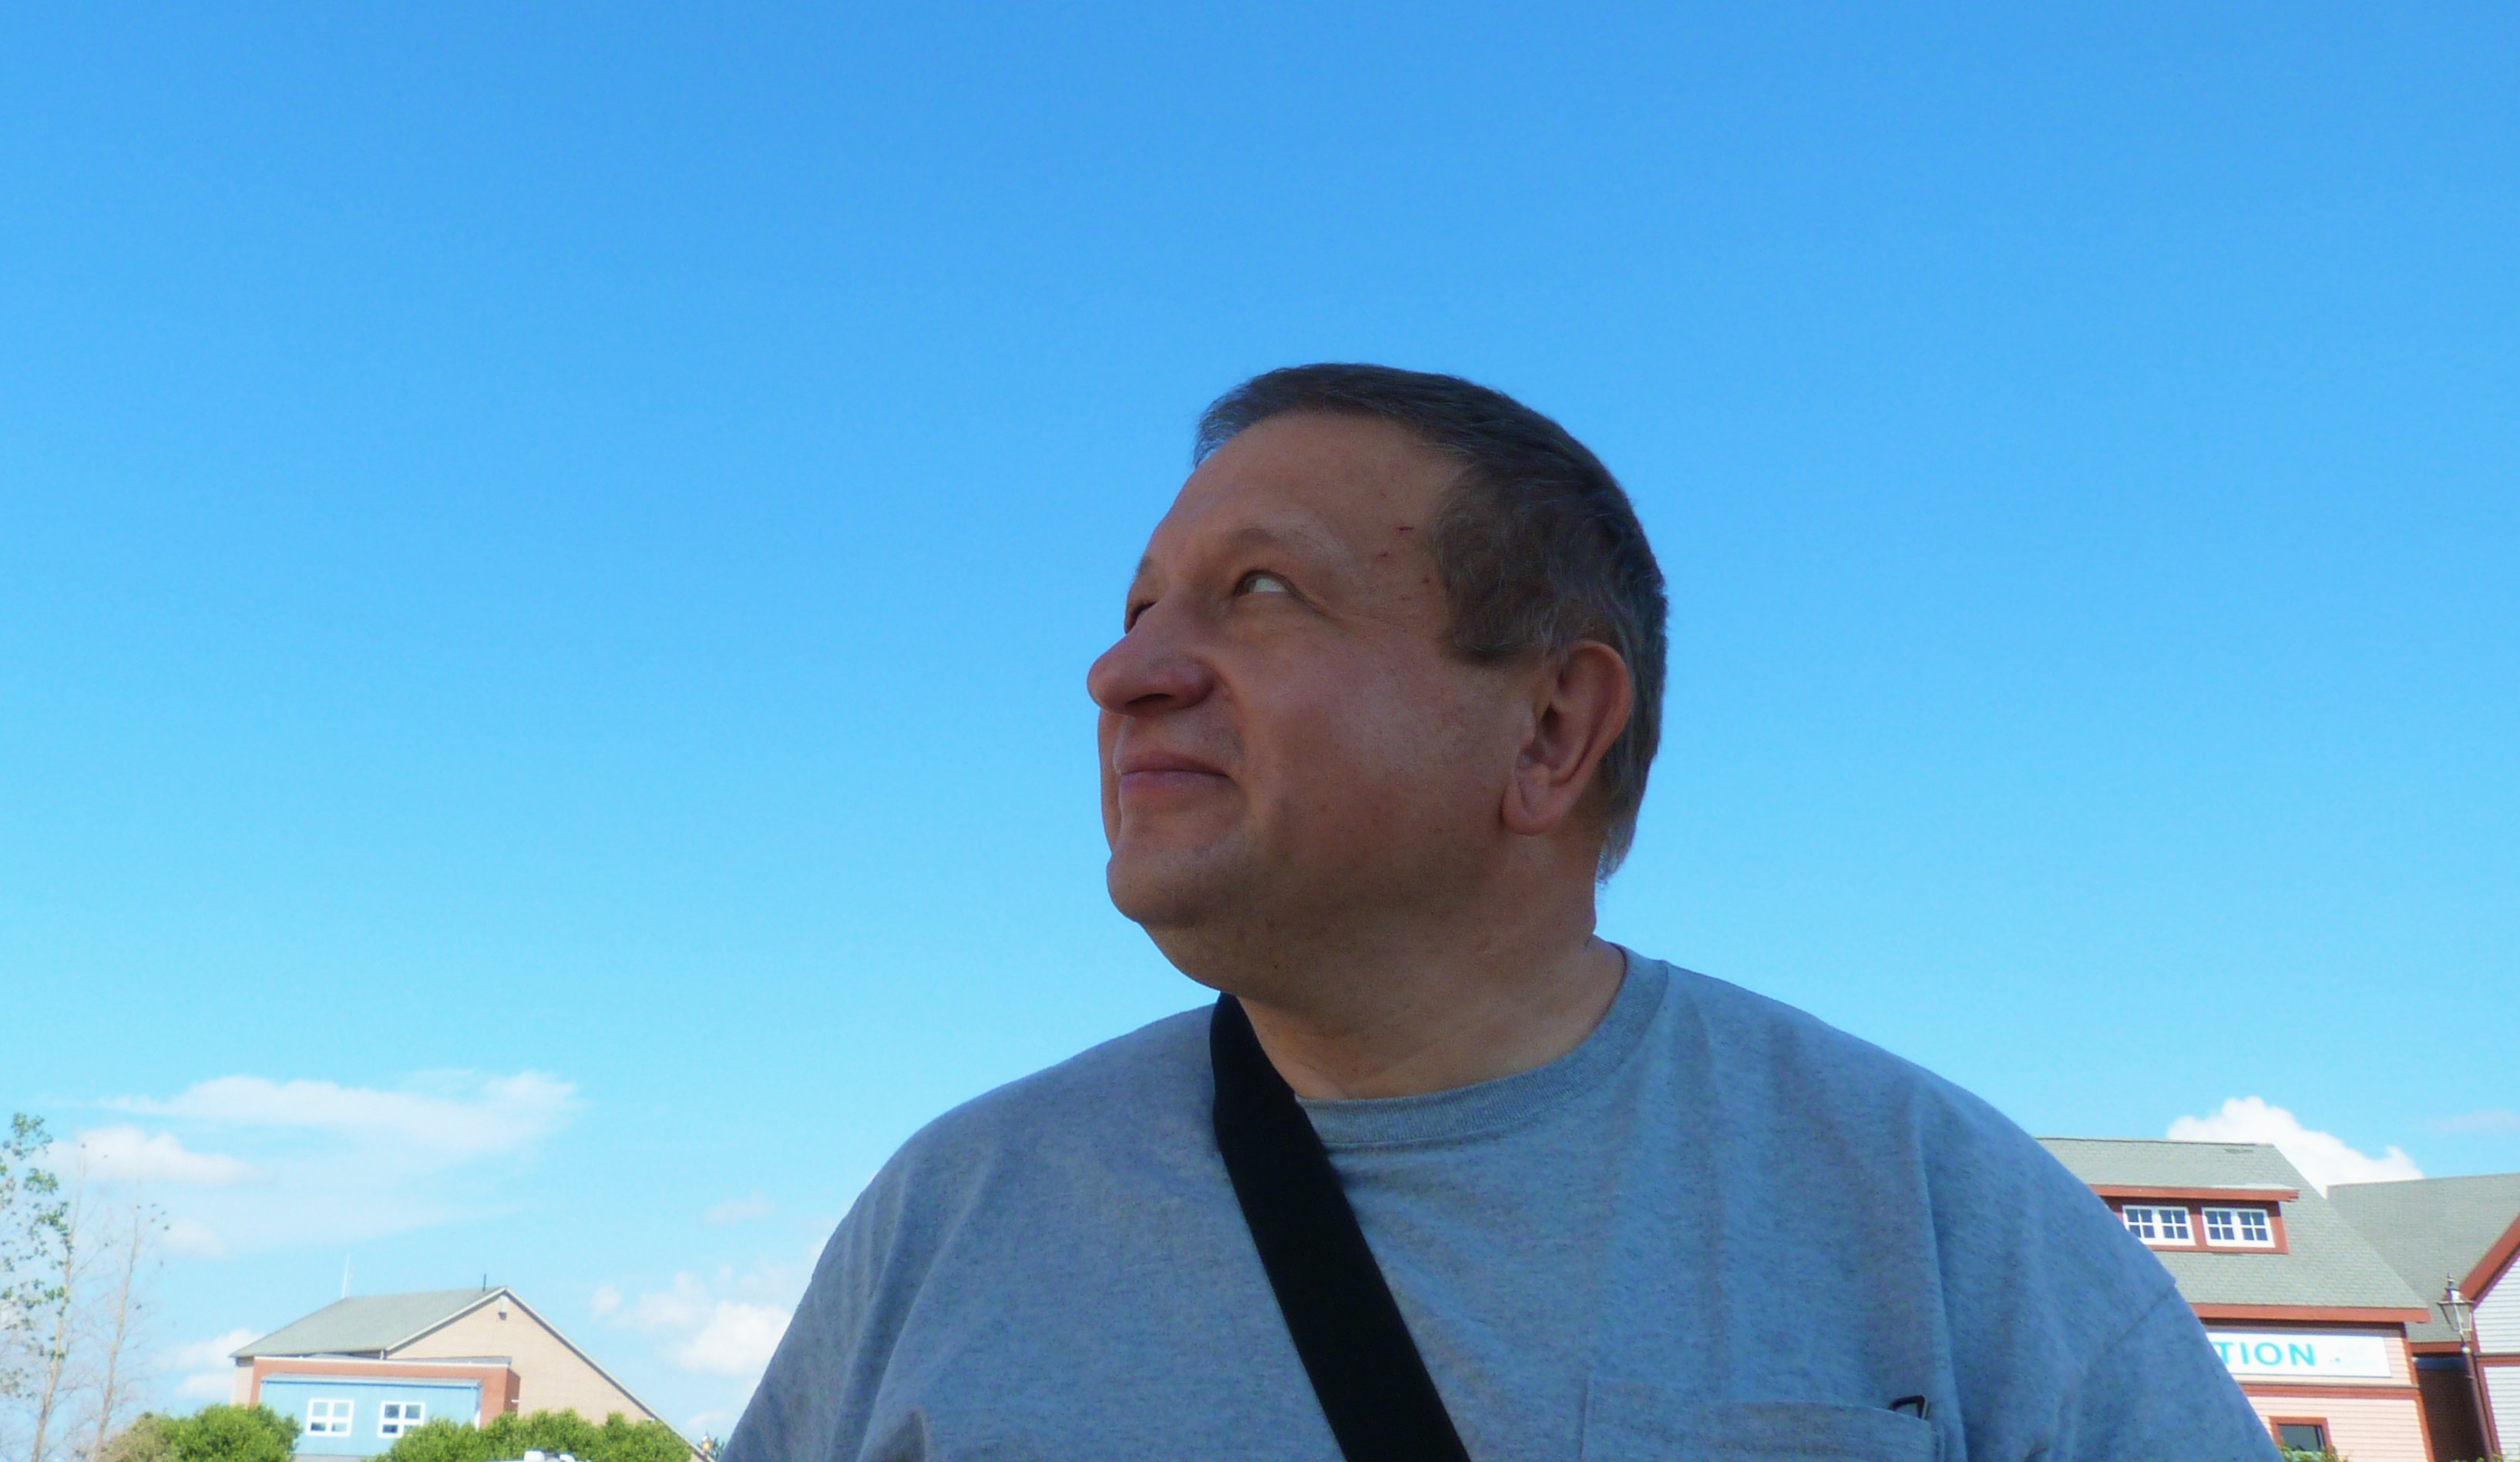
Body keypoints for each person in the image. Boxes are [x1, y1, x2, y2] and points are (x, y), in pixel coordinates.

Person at [727, 365, 2276, 1460]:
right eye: (1139, 607)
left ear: (1549, 729)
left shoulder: (1939, 1222)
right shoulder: (945, 1216)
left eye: (1260, 590)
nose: (1121, 670)